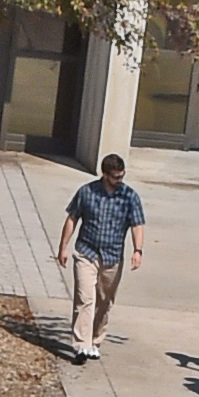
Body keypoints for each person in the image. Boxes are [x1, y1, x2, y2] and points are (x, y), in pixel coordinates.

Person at [55, 151, 145, 360]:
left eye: (122, 176)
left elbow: (137, 225)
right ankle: (81, 345)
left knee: (104, 301)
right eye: (115, 177)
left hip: (112, 257)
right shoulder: (87, 192)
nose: (119, 180)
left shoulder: (129, 196)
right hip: (87, 252)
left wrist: (137, 250)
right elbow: (72, 219)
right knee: (85, 298)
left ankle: (95, 340)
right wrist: (63, 247)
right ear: (105, 174)